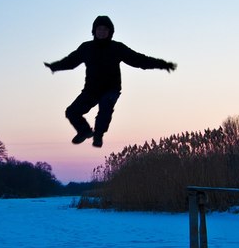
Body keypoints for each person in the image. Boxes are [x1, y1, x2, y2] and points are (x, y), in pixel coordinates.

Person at [44, 15, 177, 148]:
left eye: (105, 29)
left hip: (111, 89)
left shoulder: (117, 48)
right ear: (94, 31)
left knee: (104, 109)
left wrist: (163, 64)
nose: (102, 32)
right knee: (71, 112)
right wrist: (54, 66)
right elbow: (71, 61)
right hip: (91, 90)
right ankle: (84, 131)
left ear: (110, 32)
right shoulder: (86, 48)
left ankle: (98, 135)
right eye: (99, 29)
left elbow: (138, 60)